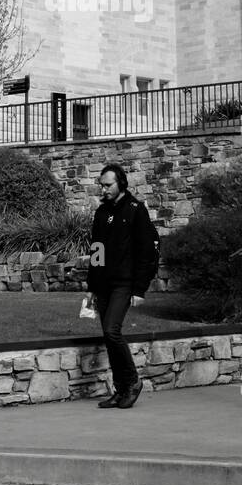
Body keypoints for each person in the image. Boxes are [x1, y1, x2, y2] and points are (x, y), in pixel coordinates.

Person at [86, 162, 155, 409]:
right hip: (103, 284)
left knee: (112, 331)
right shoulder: (102, 213)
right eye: (101, 185)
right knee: (108, 335)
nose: (103, 189)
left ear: (121, 183)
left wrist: (140, 289)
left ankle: (133, 382)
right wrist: (92, 287)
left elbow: (148, 252)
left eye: (108, 185)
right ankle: (121, 389)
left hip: (124, 284)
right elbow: (97, 250)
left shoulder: (136, 210)